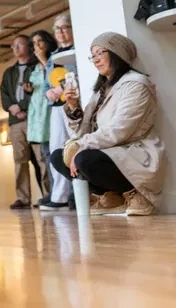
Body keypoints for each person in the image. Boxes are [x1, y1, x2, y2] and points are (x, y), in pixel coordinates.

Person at [50, 32, 167, 216]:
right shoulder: (101, 90)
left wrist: (81, 145)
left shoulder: (136, 84)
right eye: (93, 55)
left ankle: (136, 194)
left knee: (84, 159)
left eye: (100, 53)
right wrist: (73, 107)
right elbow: (83, 131)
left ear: (117, 53)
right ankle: (110, 196)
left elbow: (120, 130)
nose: (96, 60)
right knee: (58, 156)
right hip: (109, 149)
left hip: (133, 151)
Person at [0, 35, 49, 209]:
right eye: (13, 45)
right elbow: (4, 94)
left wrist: (21, 107)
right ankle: (23, 197)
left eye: (19, 44)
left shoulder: (37, 67)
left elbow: (39, 91)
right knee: (19, 160)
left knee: (41, 158)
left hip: (34, 118)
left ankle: (49, 195)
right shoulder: (9, 72)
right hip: (15, 122)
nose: (16, 48)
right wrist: (12, 108)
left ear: (28, 46)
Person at [40, 13, 78, 211]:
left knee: (76, 146)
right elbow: (47, 82)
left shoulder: (77, 50)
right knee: (57, 149)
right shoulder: (53, 56)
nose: (61, 32)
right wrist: (49, 92)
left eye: (65, 27)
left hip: (74, 105)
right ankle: (60, 196)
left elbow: (78, 76)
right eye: (57, 28)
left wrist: (61, 88)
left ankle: (79, 195)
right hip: (56, 108)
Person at [26, 29, 58, 205]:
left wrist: (45, 61)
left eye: (40, 41)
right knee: (45, 155)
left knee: (56, 152)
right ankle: (53, 192)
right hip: (38, 113)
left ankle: (61, 192)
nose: (37, 46)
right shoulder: (33, 66)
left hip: (51, 109)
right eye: (34, 43)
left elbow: (54, 79)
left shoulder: (54, 59)